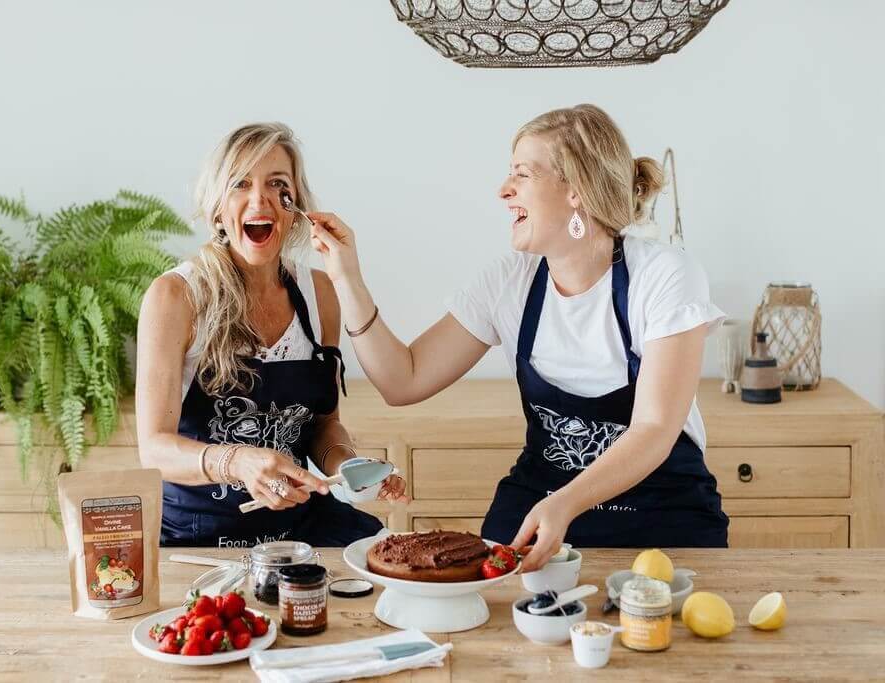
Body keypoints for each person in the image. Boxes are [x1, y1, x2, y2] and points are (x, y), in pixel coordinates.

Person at [307, 105, 729, 570]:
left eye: (521, 175)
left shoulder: (664, 276)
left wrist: (567, 504)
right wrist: (347, 278)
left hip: (661, 507)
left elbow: (654, 428)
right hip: (540, 497)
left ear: (576, 189)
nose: (503, 191)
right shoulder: (511, 282)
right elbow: (401, 380)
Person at [135, 122, 407, 548]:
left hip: (301, 531)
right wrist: (237, 461)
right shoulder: (176, 296)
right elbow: (153, 449)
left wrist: (350, 469)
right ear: (218, 207)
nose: (258, 199)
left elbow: (324, 425)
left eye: (277, 184)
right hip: (197, 538)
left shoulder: (320, 295)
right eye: (240, 184)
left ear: (294, 205)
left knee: (392, 565)